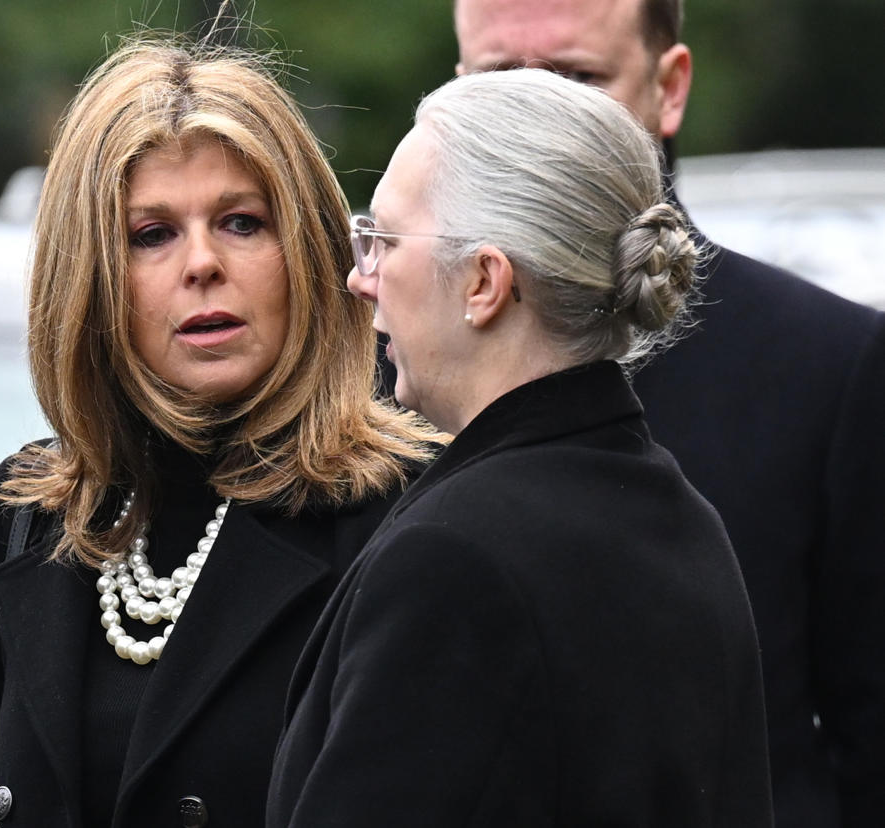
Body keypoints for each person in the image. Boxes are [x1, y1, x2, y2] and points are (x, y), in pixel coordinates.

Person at [0, 38, 436, 828]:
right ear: (92, 276)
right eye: (152, 235)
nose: (202, 263)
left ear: (306, 253)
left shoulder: (405, 510)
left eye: (242, 222)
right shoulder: (28, 515)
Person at [266, 68, 774, 827]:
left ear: (484, 282)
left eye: (381, 240)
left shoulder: (456, 559)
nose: (359, 277)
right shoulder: (681, 520)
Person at [452, 2, 885, 825]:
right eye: (500, 81)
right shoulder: (383, 372)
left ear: (670, 86)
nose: (540, 121)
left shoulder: (830, 365)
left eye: (577, 79)